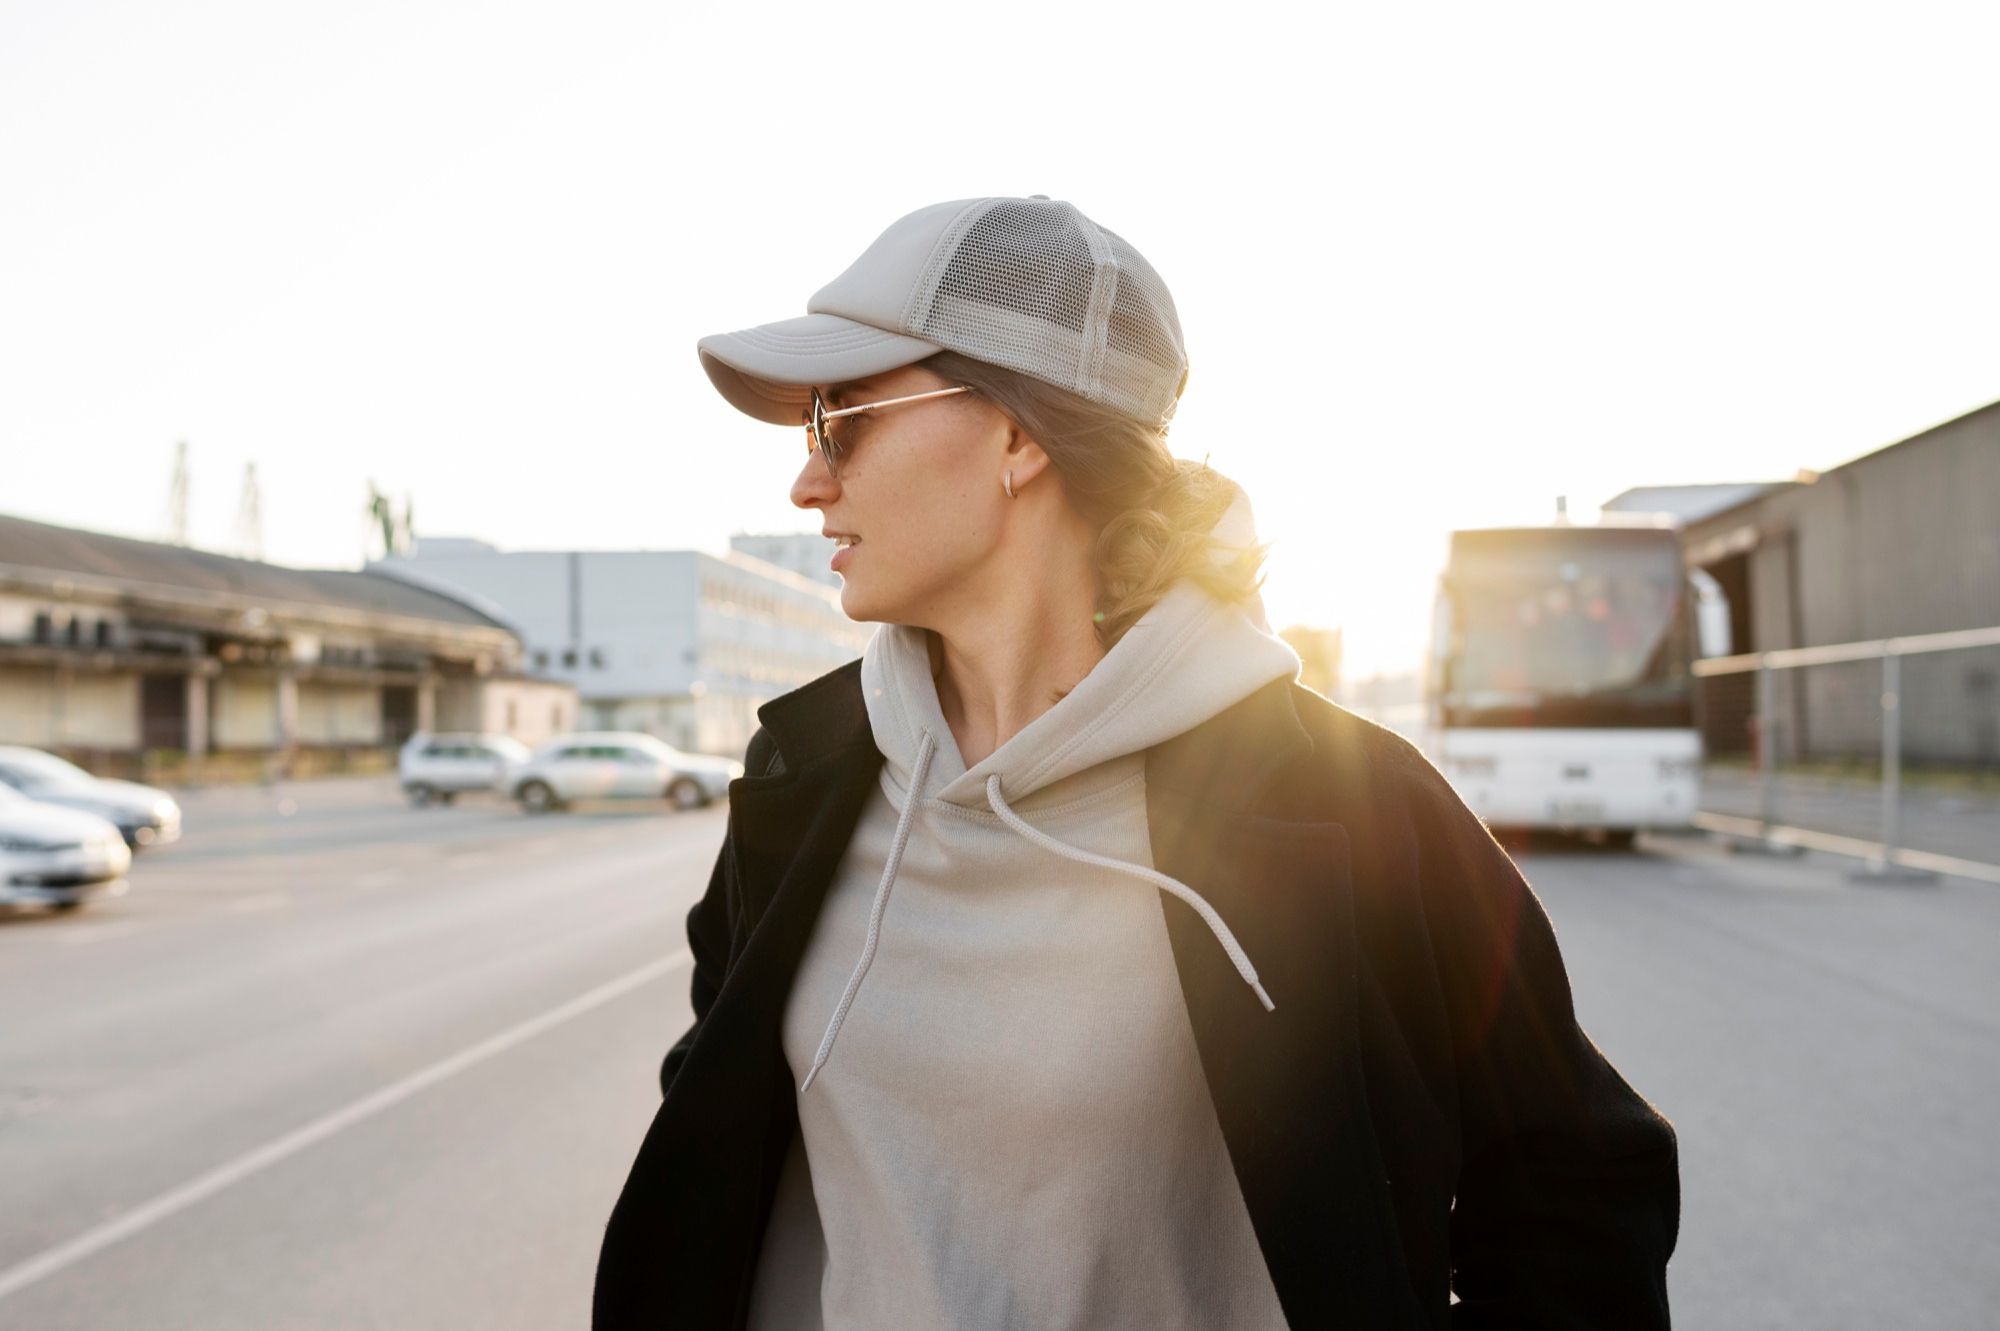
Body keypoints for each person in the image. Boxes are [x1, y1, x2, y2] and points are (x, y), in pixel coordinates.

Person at [594, 196, 1678, 1329]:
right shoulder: (797, 778)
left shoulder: (1349, 805)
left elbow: (1574, 1198)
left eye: (841, 419)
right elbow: (708, 1147)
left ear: (1017, 434)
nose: (805, 480)